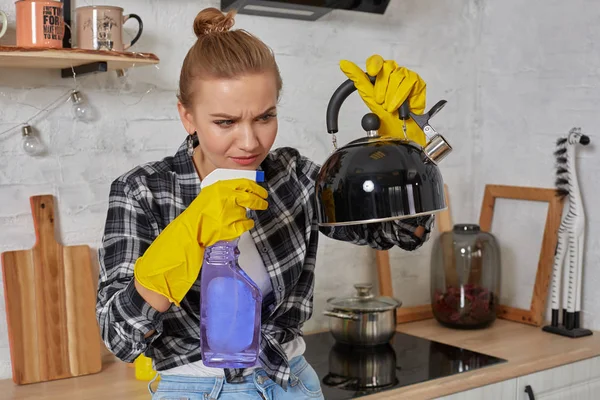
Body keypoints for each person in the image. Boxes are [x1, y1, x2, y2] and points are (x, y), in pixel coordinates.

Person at [96, 7, 434, 400]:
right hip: (198, 388)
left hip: (293, 382)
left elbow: (402, 231)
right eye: (225, 122)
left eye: (264, 117)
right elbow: (119, 339)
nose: (250, 141)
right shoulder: (142, 192)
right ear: (187, 116)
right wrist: (186, 240)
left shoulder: (293, 176)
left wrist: (399, 155)